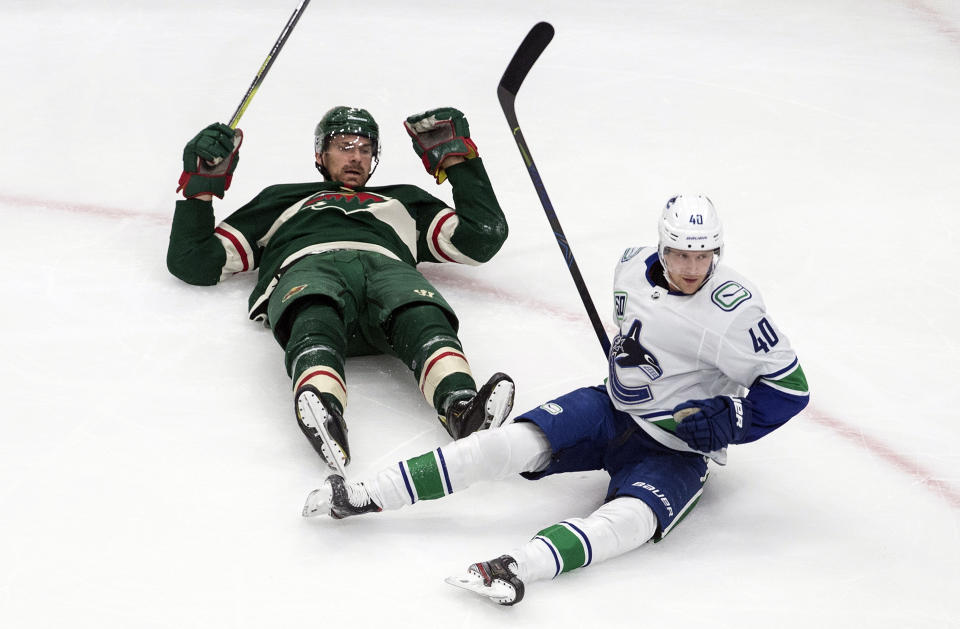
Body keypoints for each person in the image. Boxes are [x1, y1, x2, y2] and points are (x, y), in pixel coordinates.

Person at [302, 194, 810, 606]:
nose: (694, 266)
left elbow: (791, 388)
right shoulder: (631, 266)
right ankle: (365, 493)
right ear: (663, 246)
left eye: (705, 255)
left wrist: (734, 417)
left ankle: (516, 568)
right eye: (682, 254)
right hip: (609, 409)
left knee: (629, 522)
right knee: (504, 445)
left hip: (676, 447)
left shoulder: (734, 310)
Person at [166, 106, 515, 475]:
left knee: (418, 308)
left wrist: (458, 160)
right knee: (314, 305)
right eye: (345, 145)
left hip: (387, 269)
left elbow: (481, 239)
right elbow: (193, 261)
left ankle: (461, 406)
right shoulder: (282, 199)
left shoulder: (404, 200)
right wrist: (199, 192)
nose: (357, 157)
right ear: (320, 155)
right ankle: (324, 408)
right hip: (310, 265)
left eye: (366, 149)